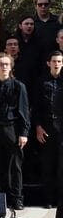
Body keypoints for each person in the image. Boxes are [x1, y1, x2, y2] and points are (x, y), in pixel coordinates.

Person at [0, 53, 30, 211]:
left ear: (11, 67)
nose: (4, 67)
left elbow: (24, 111)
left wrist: (24, 133)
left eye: (6, 64)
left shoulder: (19, 86)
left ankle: (16, 199)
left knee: (15, 166)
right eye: (1, 64)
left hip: (13, 128)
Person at [34, 51, 63, 209]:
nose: (56, 64)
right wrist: (38, 127)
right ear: (48, 63)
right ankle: (48, 199)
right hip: (46, 129)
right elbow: (36, 108)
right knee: (47, 165)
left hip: (62, 129)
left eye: (59, 61)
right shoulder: (41, 82)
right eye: (54, 61)